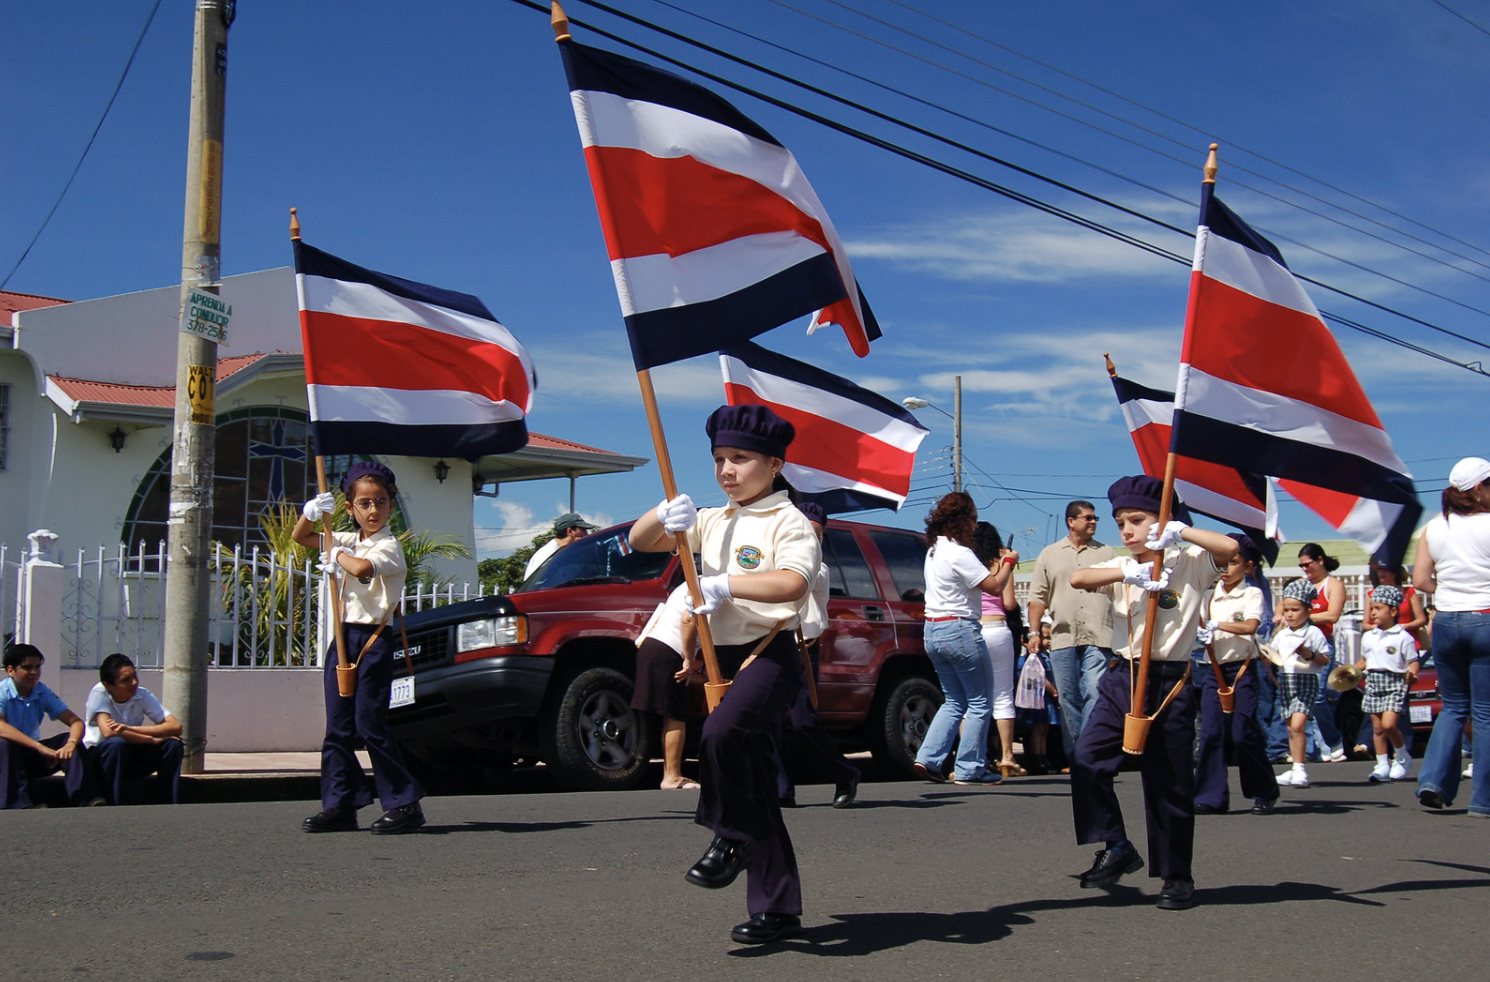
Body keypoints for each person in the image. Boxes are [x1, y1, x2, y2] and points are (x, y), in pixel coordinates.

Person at [629, 404, 820, 945]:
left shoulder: (790, 521)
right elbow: (641, 543)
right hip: (720, 659)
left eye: (740, 458)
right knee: (755, 783)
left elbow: (791, 585)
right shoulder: (710, 519)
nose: (727, 470)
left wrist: (725, 585)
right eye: (719, 459)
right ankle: (777, 908)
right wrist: (663, 514)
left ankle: (729, 834)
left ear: (775, 465)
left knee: (720, 734)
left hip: (770, 651)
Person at [1067, 475, 1237, 912]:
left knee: (1169, 783)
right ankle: (1117, 843)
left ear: (1161, 520)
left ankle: (1177, 875)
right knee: (1087, 759)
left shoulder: (1191, 560)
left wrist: (1181, 532)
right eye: (1120, 521)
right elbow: (1079, 578)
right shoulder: (1124, 566)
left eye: (1137, 520)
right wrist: (1129, 571)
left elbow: (1230, 550)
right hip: (1123, 676)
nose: (1126, 530)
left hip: (1169, 680)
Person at [295, 462, 426, 834]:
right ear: (350, 507)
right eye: (364, 503)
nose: (373, 510)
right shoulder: (347, 539)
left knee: (369, 723)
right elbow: (301, 537)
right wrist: (311, 513)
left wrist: (335, 556)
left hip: (372, 640)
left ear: (391, 505)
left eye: (380, 502)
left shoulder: (389, 546)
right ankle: (340, 803)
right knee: (337, 726)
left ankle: (405, 803)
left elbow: (363, 569)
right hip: (342, 639)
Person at [913, 491, 1016, 787]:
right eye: (973, 518)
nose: (975, 524)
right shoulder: (960, 553)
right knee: (980, 700)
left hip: (933, 630)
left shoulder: (934, 550)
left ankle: (928, 758)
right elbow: (994, 587)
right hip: (960, 629)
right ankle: (970, 767)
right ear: (961, 520)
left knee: (954, 700)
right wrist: (1008, 561)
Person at [1413, 456, 1490, 815]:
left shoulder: (1434, 527)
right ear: (1477, 489)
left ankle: (1433, 781)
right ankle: (1484, 799)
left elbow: (1420, 581)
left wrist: (1449, 587)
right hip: (1484, 617)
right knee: (1486, 712)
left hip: (1445, 620)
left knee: (1454, 707)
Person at [774, 501, 860, 809]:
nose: (812, 541)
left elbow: (795, 584)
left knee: (802, 722)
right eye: (805, 533)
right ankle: (781, 789)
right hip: (772, 645)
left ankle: (845, 772)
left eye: (818, 535)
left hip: (803, 649)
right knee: (768, 721)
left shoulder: (817, 569)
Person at [1026, 500, 1116, 767]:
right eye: (1087, 518)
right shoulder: (1050, 554)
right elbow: (1037, 597)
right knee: (1067, 697)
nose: (1093, 522)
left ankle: (1089, 753)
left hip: (1099, 636)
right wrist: (1033, 632)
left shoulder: (1108, 554)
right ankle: (1076, 755)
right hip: (1063, 637)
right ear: (1071, 521)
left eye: (1095, 518)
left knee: (1095, 691)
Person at [1194, 533, 1279, 816]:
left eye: (1234, 562)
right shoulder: (1207, 595)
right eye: (1223, 563)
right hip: (1212, 670)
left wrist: (1218, 624)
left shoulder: (1252, 593)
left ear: (1248, 566)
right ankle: (1210, 796)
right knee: (1210, 733)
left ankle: (1263, 791)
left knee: (1244, 733)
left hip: (1241, 668)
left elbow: (1250, 627)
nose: (1227, 569)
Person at [0, 643, 94, 809]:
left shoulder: (41, 691)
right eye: (27, 668)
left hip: (31, 755)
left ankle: (85, 800)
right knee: (3, 744)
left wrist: (70, 744)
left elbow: (76, 722)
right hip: (7, 759)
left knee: (68, 739)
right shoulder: (2, 692)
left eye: (37, 667)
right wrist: (39, 747)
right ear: (10, 670)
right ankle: (20, 805)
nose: (34, 673)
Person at [82, 653, 184, 805]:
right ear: (108, 684)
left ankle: (167, 803)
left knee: (173, 745)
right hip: (101, 758)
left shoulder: (142, 694)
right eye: (126, 680)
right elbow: (109, 732)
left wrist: (130, 728)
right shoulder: (99, 693)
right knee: (116, 743)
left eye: (135, 676)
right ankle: (111, 804)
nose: (134, 683)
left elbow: (175, 726)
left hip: (130, 754)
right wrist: (151, 740)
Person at [631, 583, 702, 791]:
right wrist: (689, 661)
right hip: (669, 650)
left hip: (652, 646)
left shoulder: (688, 582)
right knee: (675, 715)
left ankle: (669, 772)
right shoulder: (706, 585)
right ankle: (672, 776)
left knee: (665, 712)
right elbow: (688, 620)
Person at [1271, 579, 1334, 790]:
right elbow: (1272, 654)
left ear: (1307, 610)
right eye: (1286, 610)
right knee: (1291, 727)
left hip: (1306, 680)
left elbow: (1325, 659)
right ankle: (1295, 765)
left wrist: (1309, 654)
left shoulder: (1313, 633)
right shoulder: (1283, 633)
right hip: (1286, 680)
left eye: (1295, 610)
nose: (1289, 614)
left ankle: (1300, 768)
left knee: (1298, 724)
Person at [1354, 586, 1419, 783]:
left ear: (1392, 611)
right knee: (1377, 726)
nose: (1373, 612)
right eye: (1372, 608)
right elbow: (1365, 659)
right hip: (1373, 680)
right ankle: (1381, 763)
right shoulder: (1369, 636)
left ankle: (1401, 756)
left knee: (1389, 724)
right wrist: (1351, 672)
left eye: (1378, 608)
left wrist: (1412, 674)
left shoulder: (1402, 636)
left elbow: (1413, 661)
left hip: (1395, 680)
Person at [974, 522, 1023, 778]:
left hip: (973, 629)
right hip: (998, 629)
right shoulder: (1002, 562)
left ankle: (975, 756)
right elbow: (1010, 602)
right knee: (1003, 696)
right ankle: (1007, 756)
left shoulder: (967, 561)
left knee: (973, 697)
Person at [1294, 543, 1347, 761]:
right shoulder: (1300, 584)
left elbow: (1332, 615)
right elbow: (1285, 609)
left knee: (1317, 696)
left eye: (1308, 564)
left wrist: (1304, 617)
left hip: (1322, 644)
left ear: (1320, 561)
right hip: (1298, 645)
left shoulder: (1334, 584)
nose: (1305, 569)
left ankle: (1333, 740)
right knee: (1299, 699)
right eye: (1301, 566)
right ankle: (1314, 748)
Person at [524, 512, 599, 580]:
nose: (586, 534)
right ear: (570, 531)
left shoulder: (566, 553)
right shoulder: (547, 554)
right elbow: (537, 586)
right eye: (583, 530)